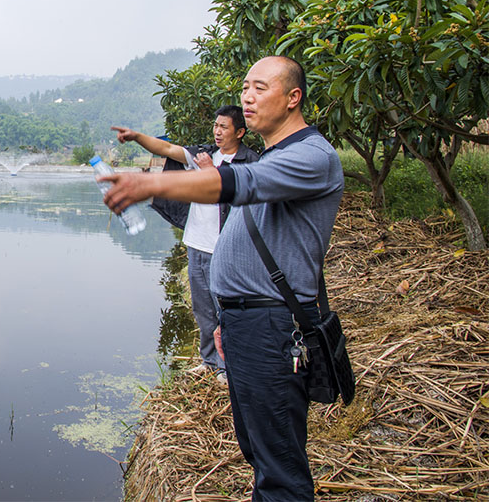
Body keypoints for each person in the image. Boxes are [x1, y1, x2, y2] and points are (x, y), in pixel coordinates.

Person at [100, 56, 343, 501]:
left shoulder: (311, 156)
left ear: (293, 98)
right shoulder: (278, 154)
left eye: (261, 87)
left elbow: (236, 183)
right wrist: (228, 316)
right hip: (248, 323)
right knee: (258, 451)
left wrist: (150, 184)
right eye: (245, 86)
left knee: (281, 468)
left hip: (275, 329)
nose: (248, 96)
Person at [111, 106, 258, 382]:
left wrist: (208, 171)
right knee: (202, 308)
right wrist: (136, 136)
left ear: (239, 132)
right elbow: (167, 149)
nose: (217, 131)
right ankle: (210, 361)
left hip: (226, 249)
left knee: (226, 309)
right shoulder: (205, 154)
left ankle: (231, 366)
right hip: (196, 244)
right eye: (216, 125)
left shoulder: (249, 162)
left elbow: (242, 198)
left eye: (224, 127)